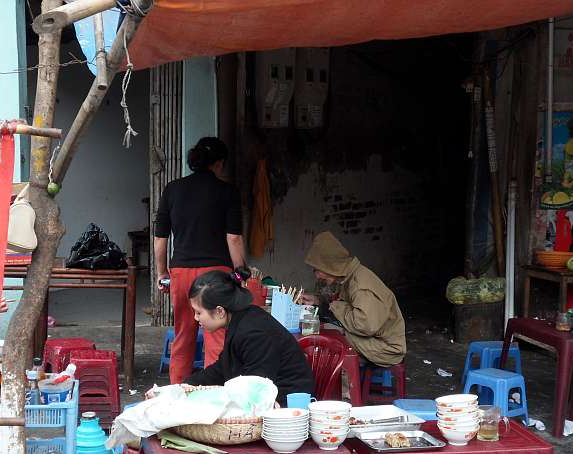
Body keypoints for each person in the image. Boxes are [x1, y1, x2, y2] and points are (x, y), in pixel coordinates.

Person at [154, 137, 246, 384]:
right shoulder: (228, 192)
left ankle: (178, 392)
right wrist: (241, 273)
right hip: (216, 274)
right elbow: (234, 238)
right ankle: (215, 393)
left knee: (184, 334)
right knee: (216, 337)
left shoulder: (172, 190)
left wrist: (162, 274)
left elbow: (160, 239)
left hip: (182, 272)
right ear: (219, 163)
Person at [182, 268, 314, 404]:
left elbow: (255, 386)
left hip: (287, 402)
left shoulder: (253, 332)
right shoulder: (239, 319)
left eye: (199, 313)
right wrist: (188, 384)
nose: (196, 318)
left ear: (220, 311)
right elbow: (223, 368)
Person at [301, 231, 406, 368]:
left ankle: (339, 381)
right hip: (370, 338)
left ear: (330, 266)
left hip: (385, 347)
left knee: (327, 346)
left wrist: (336, 306)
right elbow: (341, 302)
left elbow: (364, 326)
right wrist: (318, 301)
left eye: (317, 270)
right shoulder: (347, 277)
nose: (317, 276)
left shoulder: (360, 286)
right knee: (324, 333)